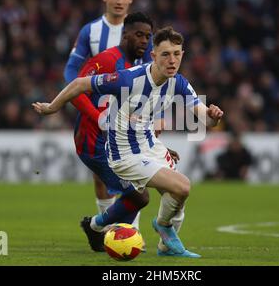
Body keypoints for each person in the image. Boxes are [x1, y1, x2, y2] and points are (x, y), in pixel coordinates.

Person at [33, 26, 224, 257]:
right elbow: (80, 83)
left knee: (176, 199)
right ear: (153, 56)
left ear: (183, 54)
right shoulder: (129, 78)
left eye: (176, 54)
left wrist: (213, 118)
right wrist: (52, 107)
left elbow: (206, 119)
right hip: (123, 154)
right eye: (165, 54)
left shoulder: (179, 83)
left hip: (149, 145)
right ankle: (162, 227)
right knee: (182, 186)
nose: (172, 60)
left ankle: (165, 247)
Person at [64, 0, 152, 229]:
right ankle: (109, 228)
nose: (119, 1)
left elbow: (151, 73)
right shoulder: (90, 31)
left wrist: (153, 114)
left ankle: (129, 230)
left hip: (132, 112)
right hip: (97, 110)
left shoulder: (141, 33)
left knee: (135, 168)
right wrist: (79, 95)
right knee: (101, 174)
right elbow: (72, 71)